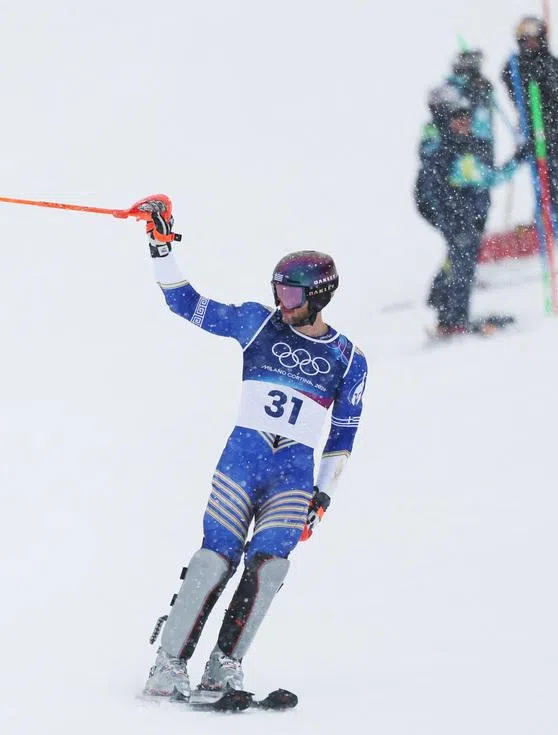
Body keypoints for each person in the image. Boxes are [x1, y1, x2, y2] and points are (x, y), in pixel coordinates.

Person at [135, 197, 368, 701]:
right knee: (214, 559)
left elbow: (343, 433)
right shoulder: (257, 323)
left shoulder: (347, 358)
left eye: (290, 293)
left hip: (292, 476)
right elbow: (185, 302)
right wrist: (160, 244)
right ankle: (168, 665)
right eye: (277, 291)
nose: (281, 301)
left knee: (270, 567)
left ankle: (225, 666)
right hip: (241, 463)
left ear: (319, 295)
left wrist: (322, 495)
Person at [416, 85, 526, 336]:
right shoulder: (450, 150)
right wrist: (517, 160)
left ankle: (443, 307)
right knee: (463, 264)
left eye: (466, 118)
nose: (464, 123)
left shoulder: (455, 143)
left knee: (457, 259)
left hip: (457, 216)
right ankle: (454, 319)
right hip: (457, 218)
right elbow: (488, 177)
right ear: (448, 120)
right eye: (458, 118)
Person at [501, 15, 558, 234]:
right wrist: (532, 73)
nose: (531, 43)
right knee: (548, 182)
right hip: (537, 132)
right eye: (525, 39)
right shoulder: (514, 66)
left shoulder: (552, 63)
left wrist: (545, 71)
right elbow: (515, 87)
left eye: (535, 38)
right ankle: (549, 227)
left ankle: (551, 221)